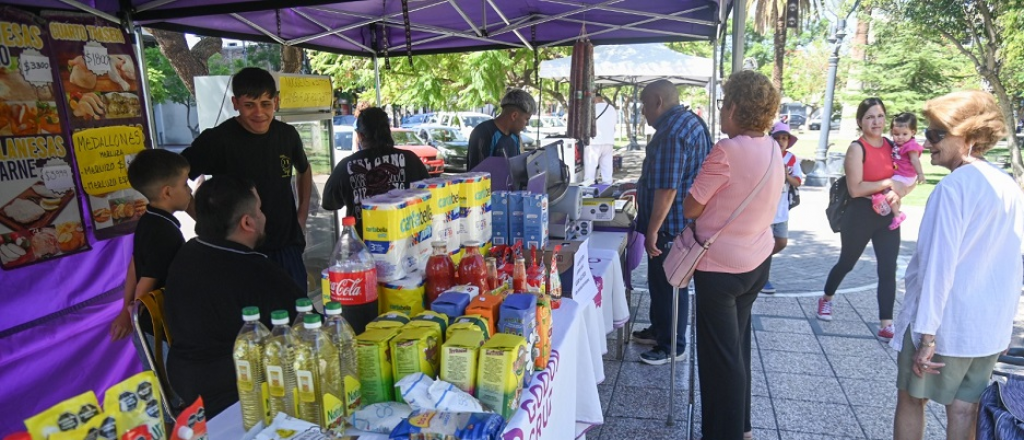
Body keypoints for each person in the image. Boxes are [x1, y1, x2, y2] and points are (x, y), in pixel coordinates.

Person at [891, 91, 1024, 440]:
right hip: (987, 329)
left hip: (945, 326)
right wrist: (1006, 324)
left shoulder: (952, 190)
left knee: (910, 399)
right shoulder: (1007, 185)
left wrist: (927, 336)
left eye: (936, 134)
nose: (926, 142)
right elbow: (1013, 263)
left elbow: (939, 268)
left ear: (966, 137)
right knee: (966, 409)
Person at [683, 70, 783, 440]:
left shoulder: (726, 151)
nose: (721, 111)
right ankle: (741, 427)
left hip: (720, 269)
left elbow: (691, 207)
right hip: (757, 262)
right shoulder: (773, 147)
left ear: (736, 108)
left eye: (725, 103)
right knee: (737, 351)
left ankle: (723, 434)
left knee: (720, 360)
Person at [164, 176, 306, 418]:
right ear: (248, 222)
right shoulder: (256, 270)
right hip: (238, 391)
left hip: (183, 380)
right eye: (259, 209)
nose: (263, 215)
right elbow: (310, 327)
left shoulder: (188, 251)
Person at [182, 67, 312, 289]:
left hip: (286, 246)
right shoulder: (217, 140)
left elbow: (304, 169)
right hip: (240, 250)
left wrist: (301, 215)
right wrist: (209, 225)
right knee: (252, 320)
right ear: (235, 103)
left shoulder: (287, 134)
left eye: (266, 104)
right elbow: (175, 181)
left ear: (276, 102)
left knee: (297, 315)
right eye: (249, 105)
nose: (259, 113)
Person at [630, 79, 713, 365]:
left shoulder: (671, 131)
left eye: (643, 104)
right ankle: (660, 330)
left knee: (670, 283)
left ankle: (672, 345)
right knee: (659, 280)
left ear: (658, 102)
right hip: (681, 219)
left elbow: (667, 188)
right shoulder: (689, 122)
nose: (642, 111)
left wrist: (652, 230)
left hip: (671, 222)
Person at [817, 97, 901, 342]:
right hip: (860, 213)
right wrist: (888, 183)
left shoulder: (891, 145)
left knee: (888, 268)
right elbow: (856, 189)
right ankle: (827, 298)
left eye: (880, 116)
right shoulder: (857, 148)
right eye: (870, 117)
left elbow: (904, 175)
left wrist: (899, 190)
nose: (876, 121)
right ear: (860, 121)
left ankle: (886, 322)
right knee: (847, 262)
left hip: (887, 213)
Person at [109, 149, 192, 340]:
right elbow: (146, 280)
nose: (189, 190)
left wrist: (126, 309)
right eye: (185, 184)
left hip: (147, 323)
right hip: (159, 327)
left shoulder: (148, 220)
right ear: (167, 192)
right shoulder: (164, 232)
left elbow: (134, 265)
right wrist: (133, 313)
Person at [322, 107, 430, 235]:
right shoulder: (410, 159)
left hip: (363, 249)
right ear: (388, 131)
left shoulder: (347, 166)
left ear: (360, 136)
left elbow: (329, 203)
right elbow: (429, 196)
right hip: (406, 243)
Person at [761, 122, 804, 294]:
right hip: (765, 209)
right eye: (777, 138)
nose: (780, 141)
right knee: (765, 243)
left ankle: (757, 263)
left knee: (781, 241)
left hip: (782, 209)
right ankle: (763, 278)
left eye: (784, 138)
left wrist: (786, 175)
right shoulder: (765, 155)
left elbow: (798, 181)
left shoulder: (791, 159)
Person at [466, 89, 536, 170]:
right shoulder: (483, 133)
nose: (527, 124)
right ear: (514, 116)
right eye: (527, 119)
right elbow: (478, 175)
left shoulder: (515, 136)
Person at [880, 112, 926, 230]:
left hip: (905, 176)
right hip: (901, 174)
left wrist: (920, 174)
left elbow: (915, 160)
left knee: (886, 189)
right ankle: (895, 211)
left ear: (913, 132)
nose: (900, 137)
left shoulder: (910, 146)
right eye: (896, 134)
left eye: (904, 134)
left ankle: (897, 214)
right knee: (894, 195)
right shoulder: (897, 144)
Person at [585, 93, 618, 184]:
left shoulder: (592, 109)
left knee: (591, 165)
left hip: (594, 141)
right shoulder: (611, 108)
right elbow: (614, 125)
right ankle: (607, 184)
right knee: (607, 165)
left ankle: (588, 186)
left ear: (594, 99)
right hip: (609, 141)